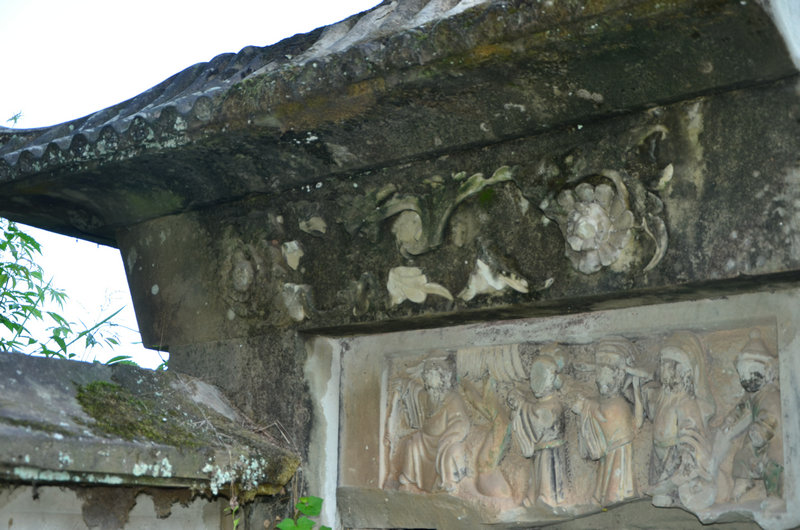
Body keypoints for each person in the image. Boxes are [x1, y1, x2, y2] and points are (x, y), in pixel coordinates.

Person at [642, 331, 715, 509]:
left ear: (682, 370)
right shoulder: (664, 396)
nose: (661, 368)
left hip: (674, 459)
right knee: (659, 498)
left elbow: (690, 440)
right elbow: (652, 409)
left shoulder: (686, 403)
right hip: (659, 458)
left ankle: (671, 486)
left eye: (666, 364)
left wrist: (677, 471)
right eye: (662, 363)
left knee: (663, 496)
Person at [573, 336, 641, 505]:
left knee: (614, 473)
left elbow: (602, 414)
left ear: (619, 376)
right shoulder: (608, 402)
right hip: (611, 452)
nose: (600, 380)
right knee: (607, 471)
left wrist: (584, 406)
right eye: (599, 373)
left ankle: (613, 493)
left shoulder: (618, 405)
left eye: (607, 374)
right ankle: (607, 494)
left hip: (619, 451)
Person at [721, 330, 782, 503]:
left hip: (772, 442)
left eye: (752, 372)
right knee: (741, 457)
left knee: (773, 466)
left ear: (767, 372)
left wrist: (761, 431)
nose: (747, 379)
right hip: (756, 441)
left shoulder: (771, 395)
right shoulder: (752, 394)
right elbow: (742, 406)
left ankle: (774, 496)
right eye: (743, 374)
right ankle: (742, 484)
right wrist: (731, 418)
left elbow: (772, 416)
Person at [395, 357, 470, 493]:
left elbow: (460, 422)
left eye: (430, 374)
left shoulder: (453, 398)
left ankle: (447, 482)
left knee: (451, 452)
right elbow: (413, 391)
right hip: (426, 439)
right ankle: (409, 477)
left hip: (445, 439)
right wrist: (400, 385)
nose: (426, 378)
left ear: (441, 378)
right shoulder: (426, 397)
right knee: (412, 444)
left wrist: (449, 437)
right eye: (425, 374)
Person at [509, 352, 567, 507]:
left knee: (547, 474)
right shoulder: (543, 404)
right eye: (534, 377)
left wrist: (520, 405)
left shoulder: (553, 405)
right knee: (537, 473)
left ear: (552, 380)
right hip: (541, 450)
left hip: (550, 451)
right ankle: (536, 496)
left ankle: (548, 497)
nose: (536, 382)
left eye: (541, 377)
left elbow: (538, 417)